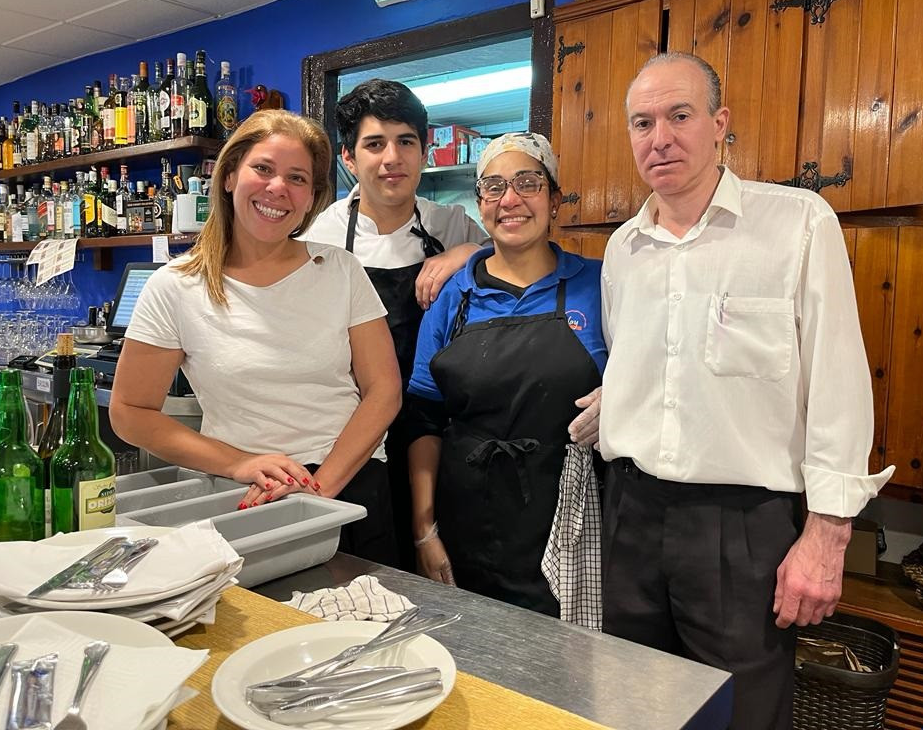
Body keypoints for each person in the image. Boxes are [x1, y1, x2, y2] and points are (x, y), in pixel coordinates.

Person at [599, 52, 894, 729]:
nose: (660, 138)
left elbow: (839, 387)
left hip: (742, 524)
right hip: (631, 513)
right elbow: (632, 368)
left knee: (744, 715)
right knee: (634, 706)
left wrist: (827, 537)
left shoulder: (796, 224)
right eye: (642, 123)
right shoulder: (624, 249)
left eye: (680, 116)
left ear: (719, 123)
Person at [110, 109, 401, 565]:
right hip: (240, 493)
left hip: (349, 484)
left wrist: (317, 490)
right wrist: (238, 463)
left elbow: (383, 392)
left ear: (311, 199)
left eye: (297, 178)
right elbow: (130, 412)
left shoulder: (341, 270)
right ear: (229, 176)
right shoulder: (175, 285)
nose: (277, 188)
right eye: (262, 168)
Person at [407, 132, 607, 616]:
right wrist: (425, 529)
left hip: (572, 520)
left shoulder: (601, 285)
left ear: (555, 198)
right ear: (480, 205)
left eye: (527, 182)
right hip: (467, 520)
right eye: (493, 187)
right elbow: (422, 420)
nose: (510, 199)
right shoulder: (453, 295)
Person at [302, 78, 487, 569]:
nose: (392, 158)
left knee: (440, 548)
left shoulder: (452, 225)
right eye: (374, 144)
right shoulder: (320, 236)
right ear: (348, 158)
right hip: (352, 424)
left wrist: (466, 253)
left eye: (406, 142)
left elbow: (513, 256)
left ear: (424, 151)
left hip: (432, 419)